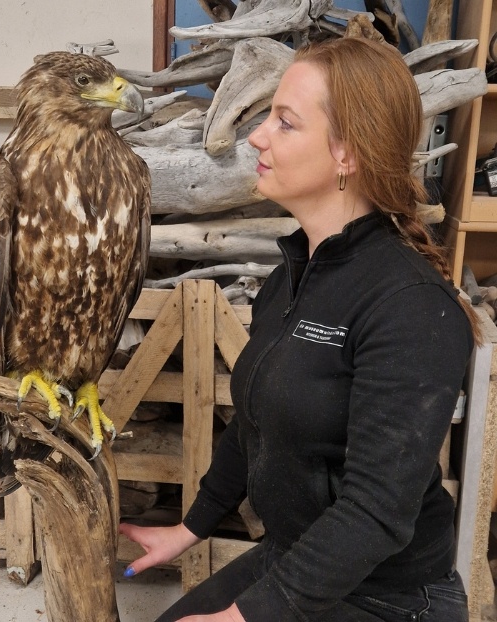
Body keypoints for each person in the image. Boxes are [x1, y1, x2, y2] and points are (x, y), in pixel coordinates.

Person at [121, 37, 475, 622]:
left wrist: (245, 618)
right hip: (296, 558)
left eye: (284, 123)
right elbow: (259, 420)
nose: (256, 136)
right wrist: (191, 528)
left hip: (390, 597)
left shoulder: (410, 305)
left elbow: (378, 511)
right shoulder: (295, 275)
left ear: (347, 154)